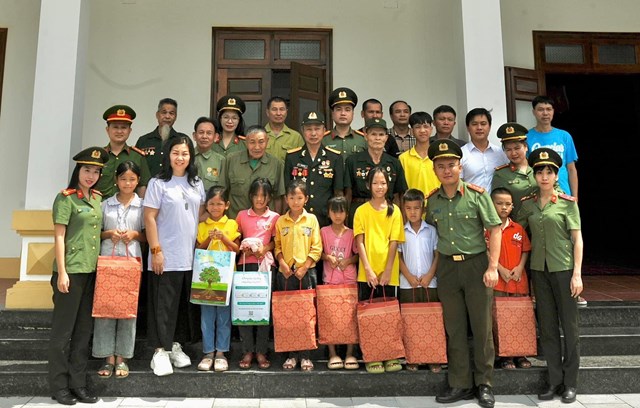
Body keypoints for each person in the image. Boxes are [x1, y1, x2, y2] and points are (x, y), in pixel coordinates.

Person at [425, 139, 501, 408]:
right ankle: (460, 383)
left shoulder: (477, 195)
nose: (447, 170)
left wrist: (493, 267)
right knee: (454, 327)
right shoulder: (431, 200)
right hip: (447, 268)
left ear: (460, 167)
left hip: (475, 265)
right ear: (435, 170)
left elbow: (495, 229)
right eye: (441, 166)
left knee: (481, 328)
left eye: (452, 165)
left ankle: (484, 384)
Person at [516, 148, 583, 404]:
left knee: (570, 328)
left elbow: (577, 239)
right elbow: (515, 231)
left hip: (564, 270)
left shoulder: (567, 204)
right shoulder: (528, 205)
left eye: (550, 171)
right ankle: (554, 381)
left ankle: (571, 383)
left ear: (557, 175)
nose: (544, 176)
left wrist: (577, 274)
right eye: (540, 171)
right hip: (538, 271)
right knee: (547, 328)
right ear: (534, 175)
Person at [49, 146, 109, 405]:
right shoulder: (66, 198)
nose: (91, 175)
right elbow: (59, 236)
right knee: (63, 333)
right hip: (70, 273)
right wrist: (62, 272)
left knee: (84, 332)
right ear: (78, 171)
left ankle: (78, 384)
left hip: (90, 271)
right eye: (87, 170)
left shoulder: (97, 198)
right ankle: (59, 386)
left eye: (96, 171)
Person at [144, 136, 206, 377]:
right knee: (162, 305)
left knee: (181, 305)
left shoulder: (196, 182)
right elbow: (149, 218)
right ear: (168, 155)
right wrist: (156, 251)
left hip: (188, 255)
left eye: (185, 153)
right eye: (176, 153)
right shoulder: (158, 183)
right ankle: (159, 351)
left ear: (191, 156)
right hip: (165, 254)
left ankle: (174, 346)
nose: (180, 157)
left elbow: (199, 212)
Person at [527, 96, 585, 307]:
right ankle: (538, 290)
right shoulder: (528, 137)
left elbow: (571, 169)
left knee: (570, 241)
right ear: (533, 112)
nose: (545, 113)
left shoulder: (564, 136)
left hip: (562, 195)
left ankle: (575, 287)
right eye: (541, 109)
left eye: (549, 109)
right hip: (538, 195)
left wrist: (575, 198)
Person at [93, 160, 146, 380]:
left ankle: (123, 357)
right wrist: (109, 234)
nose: (127, 183)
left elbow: (146, 235)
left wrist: (135, 235)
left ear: (138, 181)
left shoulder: (143, 205)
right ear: (116, 180)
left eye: (132, 179)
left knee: (127, 309)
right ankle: (107, 357)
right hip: (108, 260)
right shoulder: (105, 205)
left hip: (132, 262)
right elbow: (97, 232)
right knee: (105, 307)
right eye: (123, 178)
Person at [353, 166, 405, 374]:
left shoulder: (395, 210)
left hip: (388, 272)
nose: (380, 186)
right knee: (369, 314)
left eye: (383, 182)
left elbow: (394, 242)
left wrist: (387, 269)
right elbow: (360, 242)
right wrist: (368, 269)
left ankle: (390, 354)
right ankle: (372, 355)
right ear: (368, 185)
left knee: (389, 314)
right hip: (368, 271)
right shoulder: (361, 211)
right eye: (375, 183)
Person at [274, 180, 323, 372]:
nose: (295, 201)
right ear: (286, 199)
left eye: (299, 198)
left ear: (306, 199)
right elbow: (277, 246)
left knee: (305, 315)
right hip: (285, 273)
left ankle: (305, 355)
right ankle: (291, 354)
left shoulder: (311, 220)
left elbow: (317, 247)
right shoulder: (280, 221)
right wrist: (283, 263)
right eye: (292, 197)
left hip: (306, 272)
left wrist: (306, 266)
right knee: (287, 314)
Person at [235, 178, 280, 370]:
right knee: (244, 308)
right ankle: (247, 350)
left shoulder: (275, 217)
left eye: (263, 196)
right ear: (251, 197)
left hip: (265, 268)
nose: (260, 200)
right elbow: (235, 241)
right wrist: (242, 248)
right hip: (245, 267)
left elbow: (277, 243)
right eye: (256, 196)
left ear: (269, 197)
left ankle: (261, 350)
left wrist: (265, 248)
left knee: (264, 310)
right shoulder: (241, 216)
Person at [195, 186, 240, 372]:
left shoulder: (231, 224)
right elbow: (198, 249)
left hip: (226, 276)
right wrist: (209, 239)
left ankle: (221, 352)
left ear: (227, 205)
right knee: (207, 315)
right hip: (205, 277)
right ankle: (208, 352)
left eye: (219, 204)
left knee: (223, 316)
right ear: (206, 206)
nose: (215, 207)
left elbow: (236, 249)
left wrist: (223, 238)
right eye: (211, 204)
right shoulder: (202, 225)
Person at [487, 187, 532, 371]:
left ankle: (520, 353)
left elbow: (525, 250)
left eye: (507, 204)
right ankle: (504, 356)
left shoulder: (518, 228)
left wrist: (520, 267)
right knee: (499, 319)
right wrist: (500, 269)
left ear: (512, 206)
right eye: (499, 204)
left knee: (519, 319)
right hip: (498, 280)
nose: (503, 208)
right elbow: (486, 250)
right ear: (491, 205)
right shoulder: (488, 228)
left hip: (517, 281)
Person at [397, 188, 440, 373]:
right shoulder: (401, 231)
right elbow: (398, 256)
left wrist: (430, 274)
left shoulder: (431, 230)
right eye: (408, 208)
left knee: (431, 320)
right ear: (403, 209)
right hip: (408, 283)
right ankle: (412, 357)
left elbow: (437, 254)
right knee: (410, 322)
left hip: (430, 282)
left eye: (416, 208)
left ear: (423, 209)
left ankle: (432, 357)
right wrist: (408, 276)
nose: (412, 212)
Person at [284, 110, 344, 227]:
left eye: (317, 129)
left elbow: (338, 192)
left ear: (324, 130)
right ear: (302, 130)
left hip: (325, 220)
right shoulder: (292, 157)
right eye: (309, 129)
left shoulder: (335, 157)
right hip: (297, 219)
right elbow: (287, 190)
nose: (313, 133)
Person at [344, 118, 407, 227]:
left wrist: (401, 222)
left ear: (386, 138)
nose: (377, 138)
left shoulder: (394, 163)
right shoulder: (353, 161)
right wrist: (345, 220)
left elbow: (398, 196)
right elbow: (347, 194)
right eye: (373, 134)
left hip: (386, 212)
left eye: (381, 135)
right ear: (366, 136)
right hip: (360, 212)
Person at [320, 196, 359, 371]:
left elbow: (358, 254)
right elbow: (317, 252)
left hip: (349, 279)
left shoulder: (351, 233)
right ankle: (332, 352)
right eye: (334, 211)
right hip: (330, 278)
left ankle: (350, 353)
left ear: (346, 213)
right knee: (330, 316)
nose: (337, 215)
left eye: (341, 211)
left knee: (350, 317)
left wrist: (349, 261)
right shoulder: (323, 231)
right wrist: (328, 257)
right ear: (328, 213)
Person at [223, 125, 285, 218]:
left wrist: (276, 221)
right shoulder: (231, 161)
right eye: (252, 142)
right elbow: (222, 192)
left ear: (267, 141)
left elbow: (278, 197)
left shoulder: (275, 164)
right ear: (246, 142)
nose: (257, 147)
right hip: (235, 224)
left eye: (261, 142)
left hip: (264, 226)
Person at [95, 105, 151, 199]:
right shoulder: (98, 156)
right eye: (115, 127)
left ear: (130, 131)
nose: (119, 131)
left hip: (129, 210)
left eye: (124, 127)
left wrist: (140, 208)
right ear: (107, 130)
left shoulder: (138, 156)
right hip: (101, 208)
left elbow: (142, 186)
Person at [135, 98, 191, 177]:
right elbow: (135, 168)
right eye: (164, 112)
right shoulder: (144, 140)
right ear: (157, 115)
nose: (167, 116)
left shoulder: (182, 140)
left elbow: (189, 167)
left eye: (171, 113)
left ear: (176, 117)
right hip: (148, 188)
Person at [492, 122, 536, 219]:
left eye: (517, 148)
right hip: (517, 226)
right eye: (508, 150)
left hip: (540, 225)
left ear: (525, 147)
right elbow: (496, 204)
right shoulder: (501, 174)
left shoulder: (538, 168)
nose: (513, 153)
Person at [460, 108, 508, 191]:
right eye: (474, 124)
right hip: (472, 203)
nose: (479, 128)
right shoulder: (461, 154)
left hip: (496, 203)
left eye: (483, 124)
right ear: (468, 128)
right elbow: (459, 183)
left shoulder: (500, 153)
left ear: (489, 127)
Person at [399, 111, 440, 197]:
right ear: (412, 131)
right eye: (417, 127)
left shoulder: (439, 156)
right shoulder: (403, 158)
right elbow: (401, 190)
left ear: (431, 129)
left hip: (438, 205)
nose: (422, 130)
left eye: (426, 126)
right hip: (413, 207)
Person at [322, 87, 366, 163]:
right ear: (332, 114)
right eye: (338, 109)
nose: (343, 113)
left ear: (353, 113)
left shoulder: (363, 139)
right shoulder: (323, 139)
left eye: (347, 110)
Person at [264, 96, 304, 162]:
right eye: (274, 109)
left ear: (286, 112)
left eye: (282, 109)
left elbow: (301, 162)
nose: (278, 113)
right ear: (267, 112)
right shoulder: (259, 135)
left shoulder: (296, 137)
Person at [192, 116, 226, 192]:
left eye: (209, 133)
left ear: (216, 137)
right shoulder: (186, 157)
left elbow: (221, 190)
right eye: (201, 132)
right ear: (194, 136)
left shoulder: (221, 161)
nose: (204, 136)